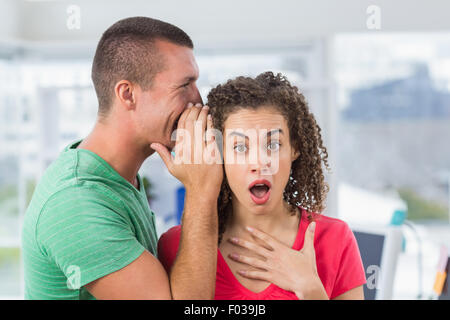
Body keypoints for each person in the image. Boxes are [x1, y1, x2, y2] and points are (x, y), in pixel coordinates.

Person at [22, 17, 222, 299]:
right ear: (127, 94)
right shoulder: (76, 202)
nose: (198, 100)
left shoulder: (118, 176)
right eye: (185, 85)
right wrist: (202, 192)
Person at [158, 72, 367, 300]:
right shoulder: (176, 246)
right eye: (240, 148)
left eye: (274, 145)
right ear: (218, 154)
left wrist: (310, 289)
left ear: (295, 149)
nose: (259, 163)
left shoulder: (335, 239)